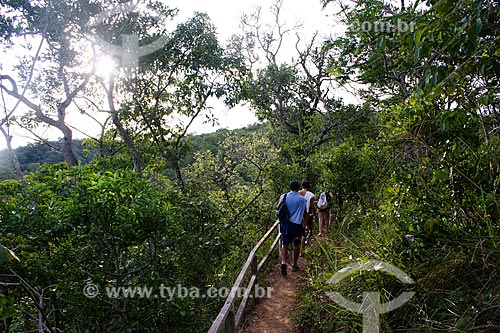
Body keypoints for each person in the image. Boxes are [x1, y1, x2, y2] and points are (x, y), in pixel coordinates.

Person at [278, 180, 307, 276]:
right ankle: (294, 264)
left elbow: (279, 209)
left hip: (285, 224)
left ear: (290, 187)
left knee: (284, 244)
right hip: (296, 225)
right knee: (296, 244)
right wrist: (308, 225)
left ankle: (283, 262)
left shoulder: (284, 196)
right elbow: (304, 213)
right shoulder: (302, 200)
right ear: (298, 188)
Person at [298, 181, 315, 255]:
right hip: (306, 214)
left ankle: (296, 248)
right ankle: (301, 251)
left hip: (297, 215)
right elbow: (312, 206)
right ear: (309, 187)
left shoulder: (297, 193)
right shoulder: (311, 195)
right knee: (304, 232)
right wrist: (314, 214)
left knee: (297, 233)